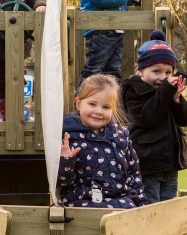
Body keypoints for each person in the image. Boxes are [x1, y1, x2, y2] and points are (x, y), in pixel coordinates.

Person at [121, 30, 187, 203]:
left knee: (168, 207)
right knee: (150, 206)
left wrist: (177, 100)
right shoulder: (134, 91)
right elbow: (147, 117)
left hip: (169, 164)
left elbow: (185, 119)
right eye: (156, 71)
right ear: (141, 72)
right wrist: (167, 92)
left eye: (168, 72)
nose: (163, 77)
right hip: (147, 165)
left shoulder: (168, 92)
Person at [57, 74, 148, 208]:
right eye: (92, 104)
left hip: (120, 202)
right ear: (78, 103)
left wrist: (141, 205)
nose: (99, 111)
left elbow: (133, 174)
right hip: (83, 203)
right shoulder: (68, 136)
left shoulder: (120, 136)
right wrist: (65, 160)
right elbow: (62, 183)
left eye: (106, 107)